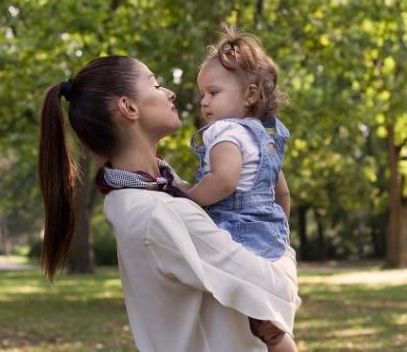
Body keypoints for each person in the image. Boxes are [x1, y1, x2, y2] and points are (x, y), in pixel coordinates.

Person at [38, 55, 300, 352]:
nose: (170, 92)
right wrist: (279, 237)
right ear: (129, 107)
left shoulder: (157, 188)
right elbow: (277, 290)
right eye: (156, 84)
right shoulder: (158, 213)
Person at [183, 30, 292, 264]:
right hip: (271, 241)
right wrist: (279, 229)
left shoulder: (223, 131)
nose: (204, 101)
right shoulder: (264, 140)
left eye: (213, 92)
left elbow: (223, 180)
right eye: (203, 94)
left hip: (234, 236)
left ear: (250, 95)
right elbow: (281, 193)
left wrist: (188, 199)